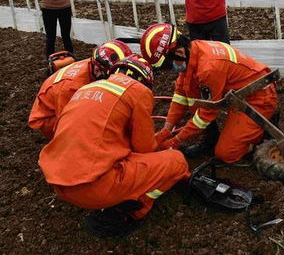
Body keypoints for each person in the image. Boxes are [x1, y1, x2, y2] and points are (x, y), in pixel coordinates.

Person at [38, 54, 190, 237]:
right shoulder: (138, 91)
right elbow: (145, 148)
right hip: (93, 188)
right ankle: (131, 210)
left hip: (58, 183)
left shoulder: (85, 88)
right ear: (145, 80)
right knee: (177, 161)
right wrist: (164, 137)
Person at [140, 23, 278, 164]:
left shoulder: (208, 68)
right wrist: (166, 129)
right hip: (238, 96)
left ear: (179, 53)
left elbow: (207, 113)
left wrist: (177, 139)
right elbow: (181, 94)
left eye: (168, 65)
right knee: (191, 94)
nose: (169, 70)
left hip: (258, 97)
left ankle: (261, 131)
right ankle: (212, 139)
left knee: (225, 154)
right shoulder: (193, 51)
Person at [28, 40, 132, 139]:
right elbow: (67, 124)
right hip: (48, 119)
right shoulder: (71, 87)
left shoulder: (94, 63)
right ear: (98, 70)